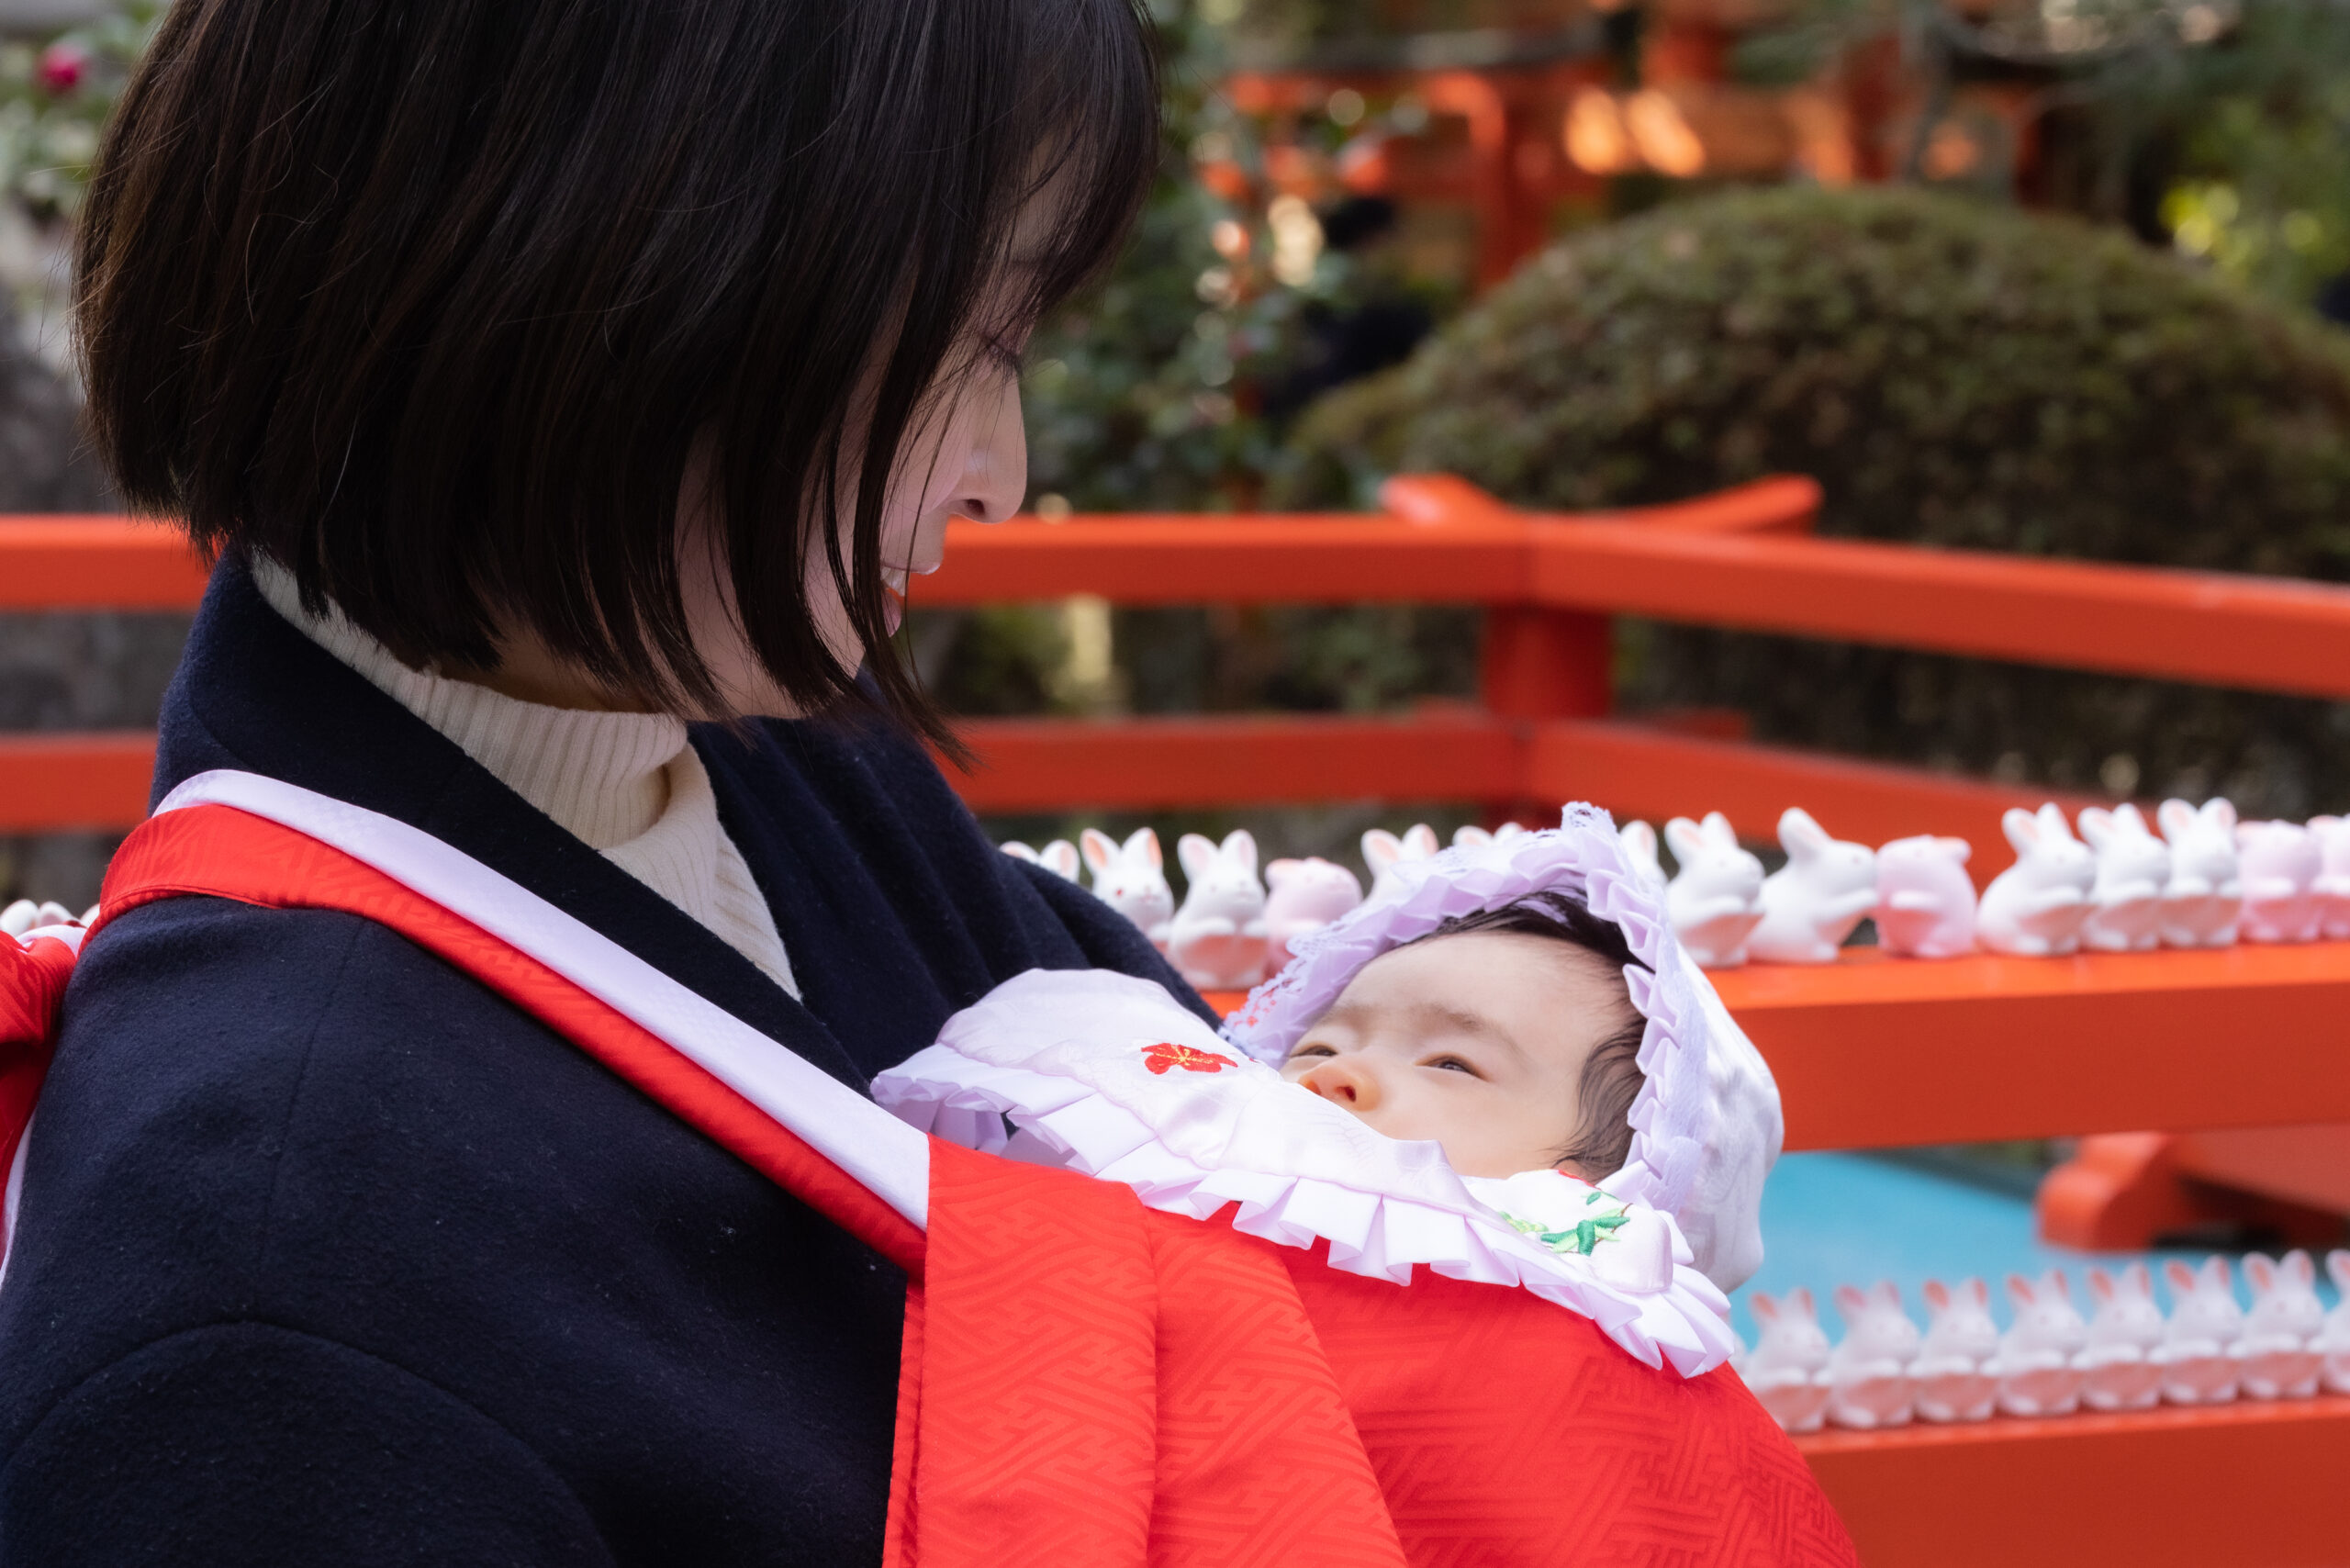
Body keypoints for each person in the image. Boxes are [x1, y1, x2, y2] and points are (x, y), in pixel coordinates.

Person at [0, 2, 1171, 1562]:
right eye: (976, 339)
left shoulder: (772, 763)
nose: (1000, 475)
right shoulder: (272, 1286)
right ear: (611, 275)